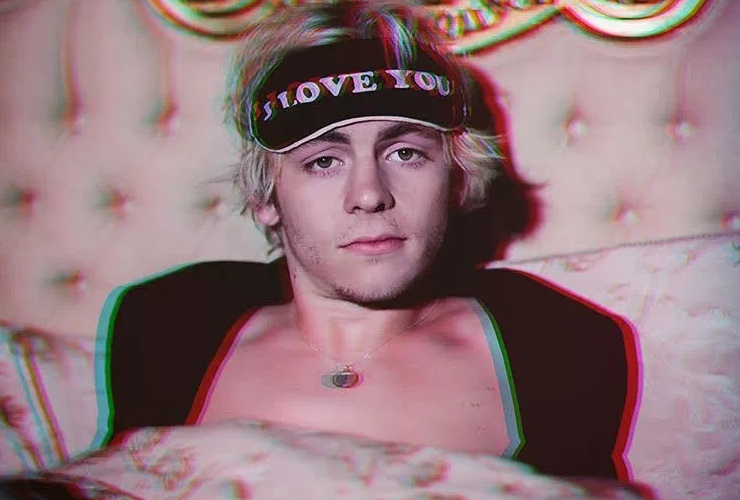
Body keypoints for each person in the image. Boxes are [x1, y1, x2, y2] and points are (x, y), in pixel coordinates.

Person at [95, 0, 638, 481]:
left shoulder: (558, 345)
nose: (370, 195)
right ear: (266, 197)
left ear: (456, 180)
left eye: (405, 153)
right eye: (323, 161)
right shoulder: (164, 327)